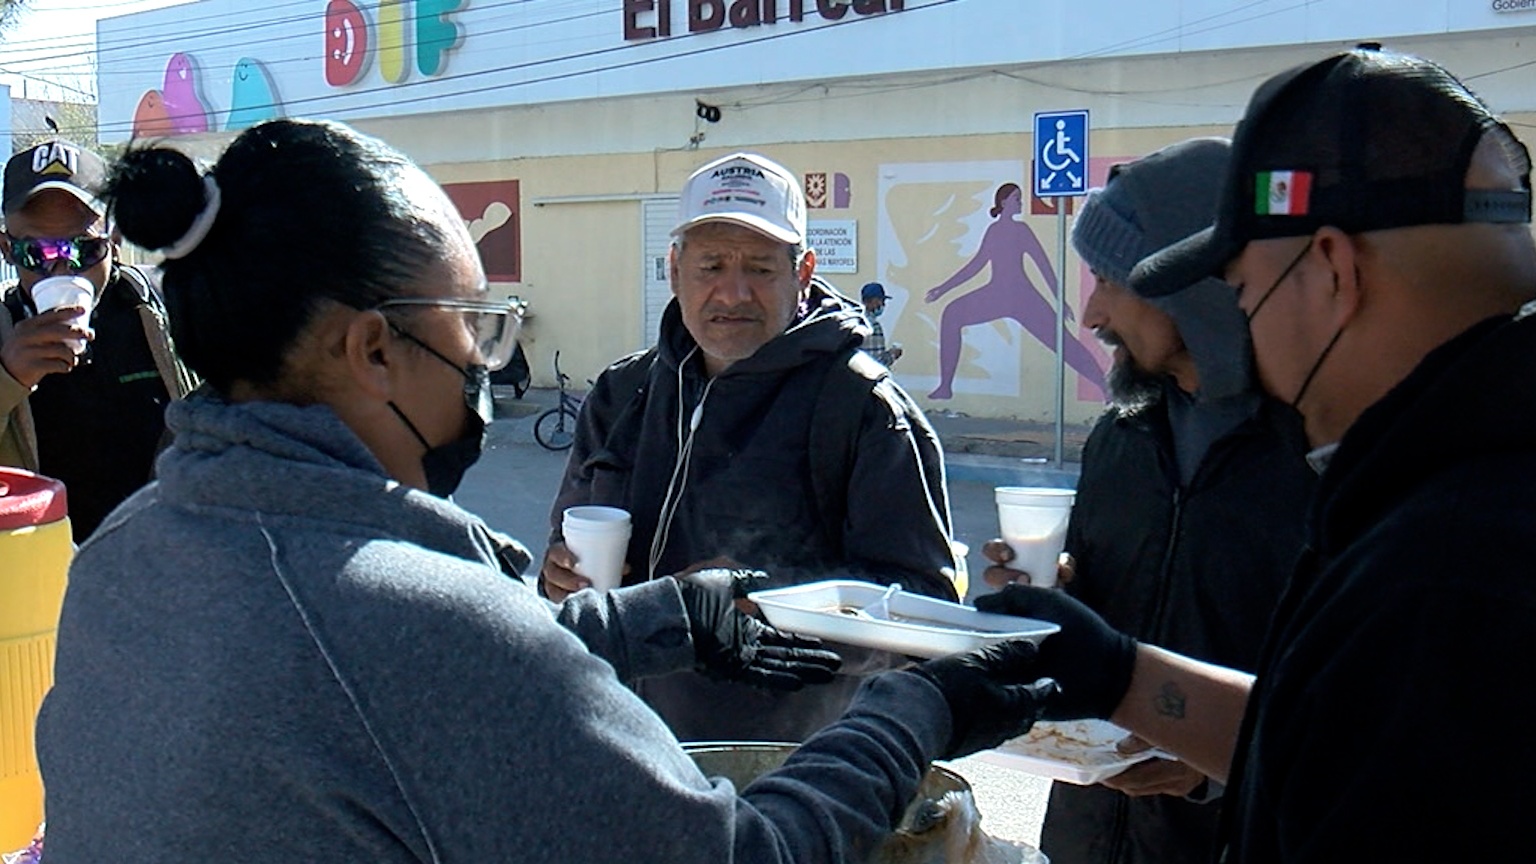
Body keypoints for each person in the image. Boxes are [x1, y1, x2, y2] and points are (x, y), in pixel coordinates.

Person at [34, 118, 1061, 862]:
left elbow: (428, 675)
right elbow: (738, 853)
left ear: (800, 274)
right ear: (373, 350)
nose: (482, 365)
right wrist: (917, 712)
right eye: (470, 325)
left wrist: (666, 615)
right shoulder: (415, 614)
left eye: (760, 266)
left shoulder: (127, 549)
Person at [977, 48, 1536, 862]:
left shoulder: (1450, 566)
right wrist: (1118, 673)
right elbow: (1331, 737)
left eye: (1243, 291)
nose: (1252, 343)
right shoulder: (1435, 495)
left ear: (1333, 270)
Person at [542, 151, 960, 742]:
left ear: (803, 271)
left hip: (786, 765)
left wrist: (771, 601)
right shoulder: (623, 392)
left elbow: (927, 608)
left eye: (761, 268)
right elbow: (562, 555)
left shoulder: (862, 409)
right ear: (674, 269)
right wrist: (559, 576)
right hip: (621, 745)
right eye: (711, 265)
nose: (733, 293)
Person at [980, 138, 1315, 864]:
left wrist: (1212, 766)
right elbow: (1108, 622)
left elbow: (1350, 700)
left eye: (1108, 280)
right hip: (1086, 832)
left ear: (1191, 288)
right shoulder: (1121, 435)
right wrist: (1057, 595)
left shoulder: (1316, 453)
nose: (1090, 315)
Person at [0, 138, 196, 540]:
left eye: (83, 250)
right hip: (43, 567)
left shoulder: (170, 309)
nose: (60, 269)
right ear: (6, 249)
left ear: (115, 237)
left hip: (164, 559)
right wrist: (8, 378)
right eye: (36, 253)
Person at [922, 181, 1104, 399]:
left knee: (1062, 341)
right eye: (1017, 199)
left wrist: (1060, 300)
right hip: (996, 294)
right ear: (1003, 202)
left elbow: (1043, 265)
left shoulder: (1022, 230)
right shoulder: (994, 230)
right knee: (951, 314)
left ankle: (1105, 387)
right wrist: (942, 289)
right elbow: (976, 265)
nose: (1021, 203)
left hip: (1023, 297)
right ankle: (945, 387)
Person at [860, 281, 902, 367]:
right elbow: (877, 363)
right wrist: (893, 354)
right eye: (881, 300)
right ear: (869, 301)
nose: (883, 304)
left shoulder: (855, 321)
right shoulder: (873, 326)